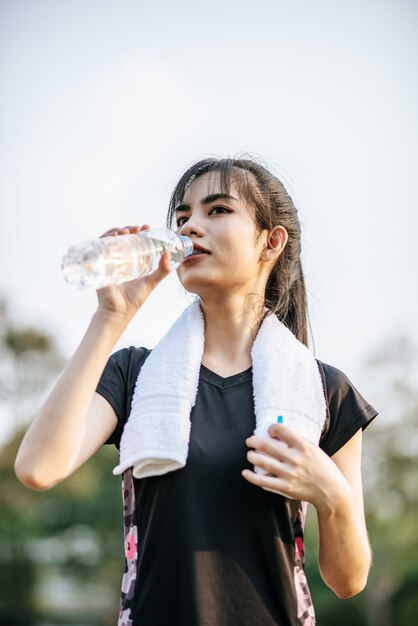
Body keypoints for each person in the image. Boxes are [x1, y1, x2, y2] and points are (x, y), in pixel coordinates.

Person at [15, 157, 378, 626]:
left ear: (271, 241)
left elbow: (348, 582)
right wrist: (112, 316)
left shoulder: (325, 391)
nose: (191, 228)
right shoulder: (136, 375)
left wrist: (333, 495)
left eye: (218, 210)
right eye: (183, 217)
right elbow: (38, 468)